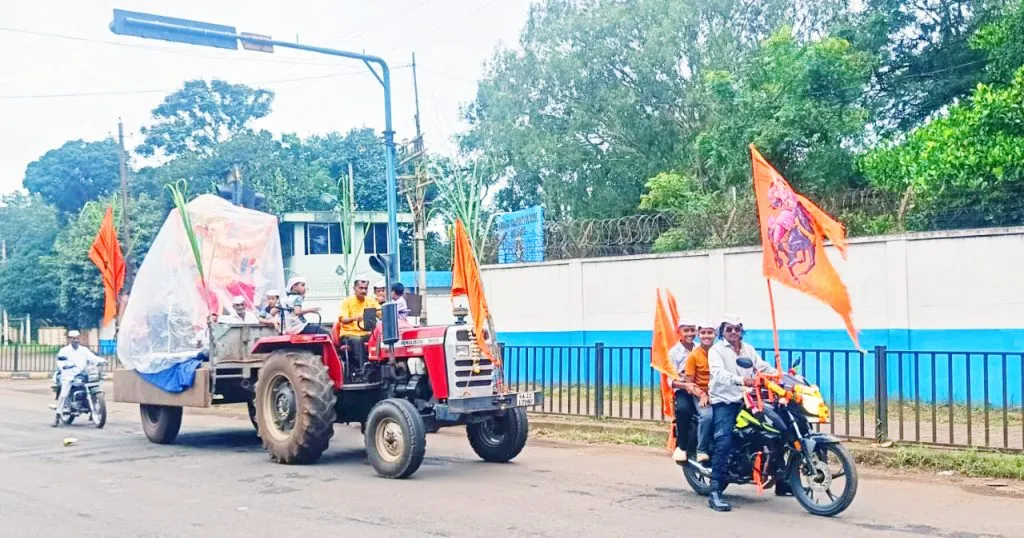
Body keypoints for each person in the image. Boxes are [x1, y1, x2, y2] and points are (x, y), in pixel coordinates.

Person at [706, 313, 777, 512]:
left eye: (737, 328)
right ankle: (714, 492)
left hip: (749, 399)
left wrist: (778, 375)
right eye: (729, 328)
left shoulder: (748, 349)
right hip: (725, 400)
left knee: (773, 430)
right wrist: (740, 381)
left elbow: (761, 366)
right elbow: (718, 373)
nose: (734, 332)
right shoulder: (716, 350)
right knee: (725, 440)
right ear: (722, 331)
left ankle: (784, 481)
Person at [50, 330, 106, 424]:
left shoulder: (84, 350)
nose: (75, 340)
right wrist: (64, 366)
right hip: (68, 375)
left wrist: (102, 361)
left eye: (77, 338)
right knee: (63, 394)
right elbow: (60, 363)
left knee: (94, 388)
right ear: (69, 339)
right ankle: (57, 416)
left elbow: (92, 358)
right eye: (73, 338)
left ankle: (92, 411)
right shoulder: (64, 351)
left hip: (82, 374)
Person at [684, 320, 716, 463]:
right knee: (707, 416)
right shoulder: (693, 356)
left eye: (710, 332)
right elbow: (689, 383)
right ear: (698, 334)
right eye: (703, 333)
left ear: (715, 334)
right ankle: (701, 449)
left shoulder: (719, 353)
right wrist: (703, 394)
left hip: (719, 393)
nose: (706, 336)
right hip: (700, 394)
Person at [670, 319, 698, 463]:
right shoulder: (674, 352)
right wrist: (686, 386)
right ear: (679, 332)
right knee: (683, 410)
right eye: (686, 330)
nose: (690, 333)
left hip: (701, 388)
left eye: (692, 330)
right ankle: (681, 446)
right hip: (683, 389)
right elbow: (670, 380)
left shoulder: (700, 348)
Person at [337, 276, 381, 368]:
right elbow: (343, 319)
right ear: (354, 288)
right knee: (357, 340)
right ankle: (363, 369)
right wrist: (354, 318)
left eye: (365, 288)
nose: (363, 291)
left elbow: (380, 313)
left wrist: (383, 312)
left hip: (366, 333)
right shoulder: (347, 302)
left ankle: (379, 365)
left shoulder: (370, 301)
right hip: (348, 335)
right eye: (361, 288)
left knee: (379, 337)